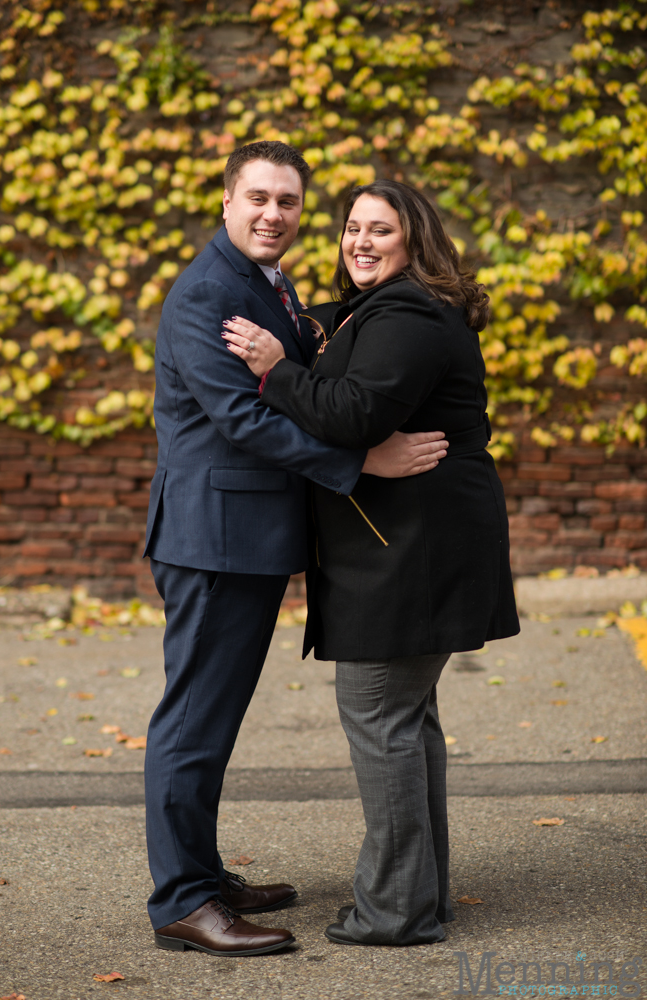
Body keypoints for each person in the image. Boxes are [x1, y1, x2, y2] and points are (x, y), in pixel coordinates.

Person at [142, 144, 451, 957]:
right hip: (211, 539)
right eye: (257, 197)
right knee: (193, 722)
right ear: (225, 200)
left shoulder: (266, 284)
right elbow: (240, 419)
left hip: (247, 537)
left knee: (213, 717)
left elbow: (298, 381)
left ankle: (201, 876)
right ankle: (182, 901)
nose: (272, 213)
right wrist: (361, 462)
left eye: (287, 201)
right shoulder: (207, 292)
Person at [222, 178, 521, 947]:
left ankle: (392, 913)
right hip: (417, 546)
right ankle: (420, 900)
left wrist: (271, 367)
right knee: (407, 724)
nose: (358, 241)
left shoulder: (410, 314)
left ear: (413, 241)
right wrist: (296, 338)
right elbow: (338, 350)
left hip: (410, 552)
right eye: (351, 227)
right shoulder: (387, 310)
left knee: (383, 719)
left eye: (378, 230)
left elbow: (355, 411)